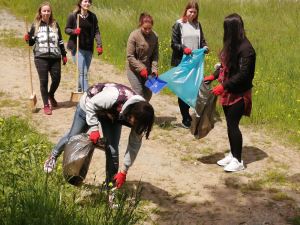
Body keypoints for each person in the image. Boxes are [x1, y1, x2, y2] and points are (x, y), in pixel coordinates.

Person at [43, 82, 155, 188]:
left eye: (136, 124)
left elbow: (133, 147)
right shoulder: (114, 96)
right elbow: (91, 105)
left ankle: (110, 187)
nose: (133, 125)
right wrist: (94, 129)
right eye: (133, 122)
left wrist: (124, 171)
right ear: (132, 111)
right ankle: (53, 156)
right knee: (73, 136)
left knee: (112, 149)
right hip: (89, 105)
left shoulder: (141, 119)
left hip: (111, 115)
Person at [204, 13, 256, 172]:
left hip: (239, 94)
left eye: (226, 28)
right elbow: (225, 65)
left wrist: (224, 86)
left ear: (233, 29)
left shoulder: (247, 50)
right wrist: (213, 76)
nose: (224, 31)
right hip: (228, 91)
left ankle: (238, 161)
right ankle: (233, 154)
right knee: (229, 124)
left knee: (233, 125)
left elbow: (243, 75)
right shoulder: (231, 44)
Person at [24, 1, 67, 115]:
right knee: (44, 81)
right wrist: (28, 38)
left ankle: (51, 94)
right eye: (44, 11)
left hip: (55, 56)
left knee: (57, 79)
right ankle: (46, 105)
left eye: (48, 11)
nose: (46, 13)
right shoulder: (35, 25)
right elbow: (31, 42)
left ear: (50, 12)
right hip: (40, 57)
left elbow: (60, 41)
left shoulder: (55, 24)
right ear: (40, 12)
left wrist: (64, 54)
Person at [171, 0, 209, 129]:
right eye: (190, 11)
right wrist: (183, 48)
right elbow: (174, 44)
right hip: (181, 62)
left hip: (195, 63)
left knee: (193, 89)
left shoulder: (198, 25)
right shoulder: (179, 24)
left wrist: (205, 47)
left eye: (194, 12)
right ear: (186, 11)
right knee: (183, 90)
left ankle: (191, 113)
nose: (192, 14)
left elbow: (202, 40)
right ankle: (185, 117)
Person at [65, 0, 102, 92]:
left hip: (89, 49)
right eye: (85, 1)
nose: (87, 4)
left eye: (89, 2)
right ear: (80, 3)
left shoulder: (93, 17)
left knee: (83, 73)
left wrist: (99, 44)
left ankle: (79, 90)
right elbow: (66, 29)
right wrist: (74, 31)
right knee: (83, 73)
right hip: (77, 48)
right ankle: (87, 96)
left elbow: (96, 31)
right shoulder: (73, 16)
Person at [126, 12, 159, 102]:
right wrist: (140, 68)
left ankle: (140, 110)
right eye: (145, 28)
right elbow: (130, 56)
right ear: (140, 25)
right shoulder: (134, 35)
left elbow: (155, 55)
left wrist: (154, 70)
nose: (148, 31)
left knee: (148, 94)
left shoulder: (155, 36)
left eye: (150, 28)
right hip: (133, 70)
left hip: (147, 70)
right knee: (139, 93)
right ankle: (138, 114)